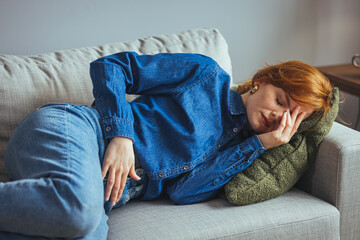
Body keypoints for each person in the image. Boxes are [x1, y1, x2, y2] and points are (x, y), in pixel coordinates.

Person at [0, 52, 333, 240]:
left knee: (86, 231)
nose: (278, 116)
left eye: (292, 117)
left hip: (95, 194)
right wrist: (121, 135)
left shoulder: (238, 152)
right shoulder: (205, 75)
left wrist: (260, 145)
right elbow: (111, 67)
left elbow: (182, 193)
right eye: (281, 100)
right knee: (79, 213)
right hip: (71, 131)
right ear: (262, 80)